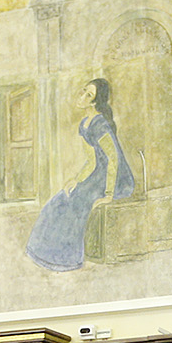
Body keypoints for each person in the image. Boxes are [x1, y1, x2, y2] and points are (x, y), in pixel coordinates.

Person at [25, 77, 135, 271]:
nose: (82, 96)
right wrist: (76, 180)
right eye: (84, 90)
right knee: (60, 200)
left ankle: (67, 259)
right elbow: (92, 161)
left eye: (89, 95)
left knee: (76, 204)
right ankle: (43, 253)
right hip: (97, 174)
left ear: (94, 102)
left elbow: (113, 159)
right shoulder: (85, 124)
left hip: (115, 178)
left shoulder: (100, 124)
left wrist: (109, 195)